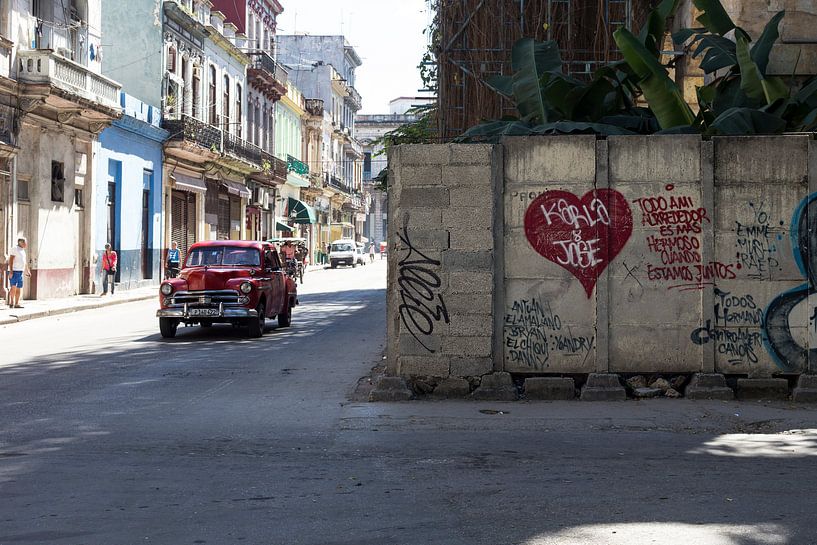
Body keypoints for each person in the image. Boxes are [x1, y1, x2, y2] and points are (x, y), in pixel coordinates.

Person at [7, 237, 30, 309]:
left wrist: (27, 270)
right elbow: (11, 260)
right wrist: (11, 271)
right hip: (14, 271)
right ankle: (11, 302)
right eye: (25, 242)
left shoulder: (23, 250)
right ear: (21, 242)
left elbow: (24, 262)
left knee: (19, 288)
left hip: (20, 271)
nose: (26, 244)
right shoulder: (14, 249)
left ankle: (17, 303)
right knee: (13, 287)